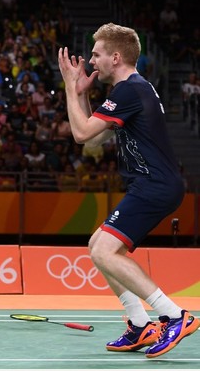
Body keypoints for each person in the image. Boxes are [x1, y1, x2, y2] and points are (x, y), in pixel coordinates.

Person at [58, 23, 197, 358]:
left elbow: (78, 134)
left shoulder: (129, 91)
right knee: (98, 246)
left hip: (155, 185)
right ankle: (139, 324)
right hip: (153, 184)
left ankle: (175, 317)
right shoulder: (131, 91)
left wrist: (69, 87)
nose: (91, 61)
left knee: (105, 250)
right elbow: (92, 141)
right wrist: (81, 95)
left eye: (96, 54)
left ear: (116, 57)